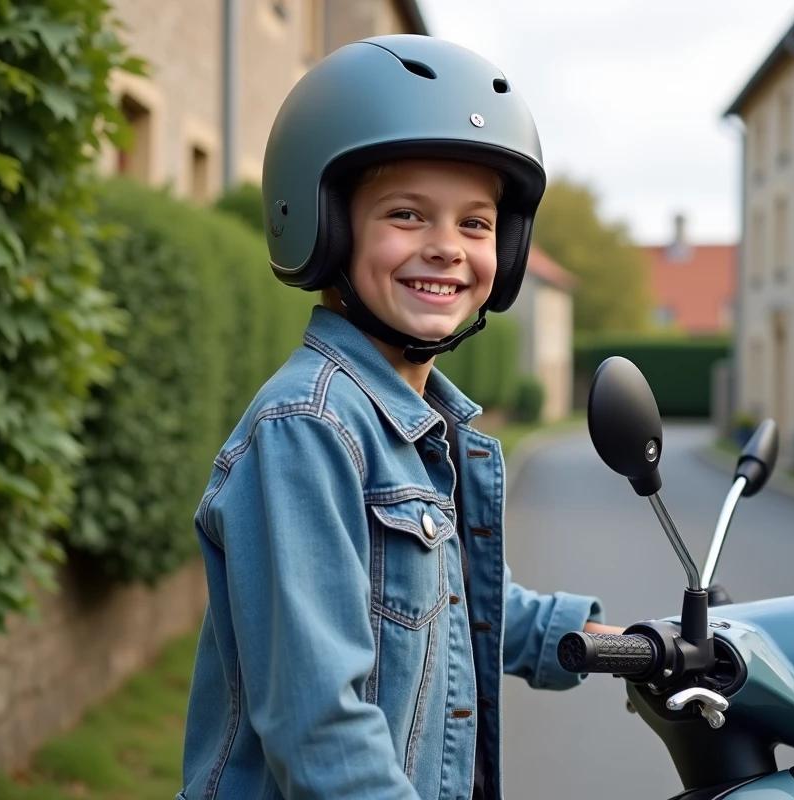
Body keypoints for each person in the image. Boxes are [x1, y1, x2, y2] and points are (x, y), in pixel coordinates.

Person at [177, 34, 621, 800]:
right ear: (325, 224)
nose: (447, 248)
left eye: (476, 224)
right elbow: (323, 732)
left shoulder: (419, 425)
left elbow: (454, 606)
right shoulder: (308, 429)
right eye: (408, 214)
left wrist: (625, 645)